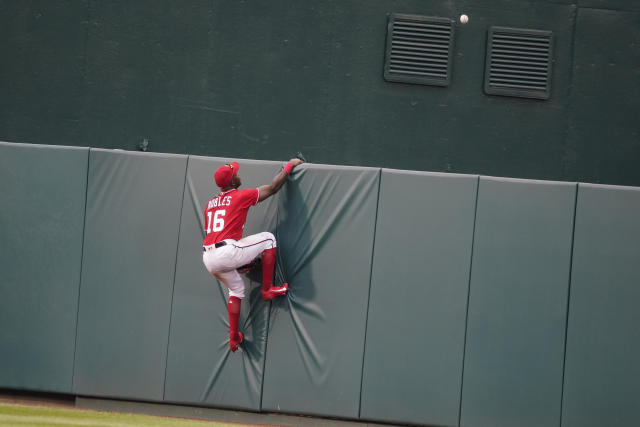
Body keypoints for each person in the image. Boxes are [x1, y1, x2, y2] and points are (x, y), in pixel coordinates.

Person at [202, 158, 304, 352]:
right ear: (232, 182)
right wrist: (289, 166)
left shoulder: (209, 204)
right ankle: (267, 289)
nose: (238, 175)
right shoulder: (240, 196)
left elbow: (212, 232)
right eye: (235, 174)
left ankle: (234, 338)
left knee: (236, 289)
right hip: (227, 251)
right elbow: (274, 188)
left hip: (209, 257)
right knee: (268, 239)